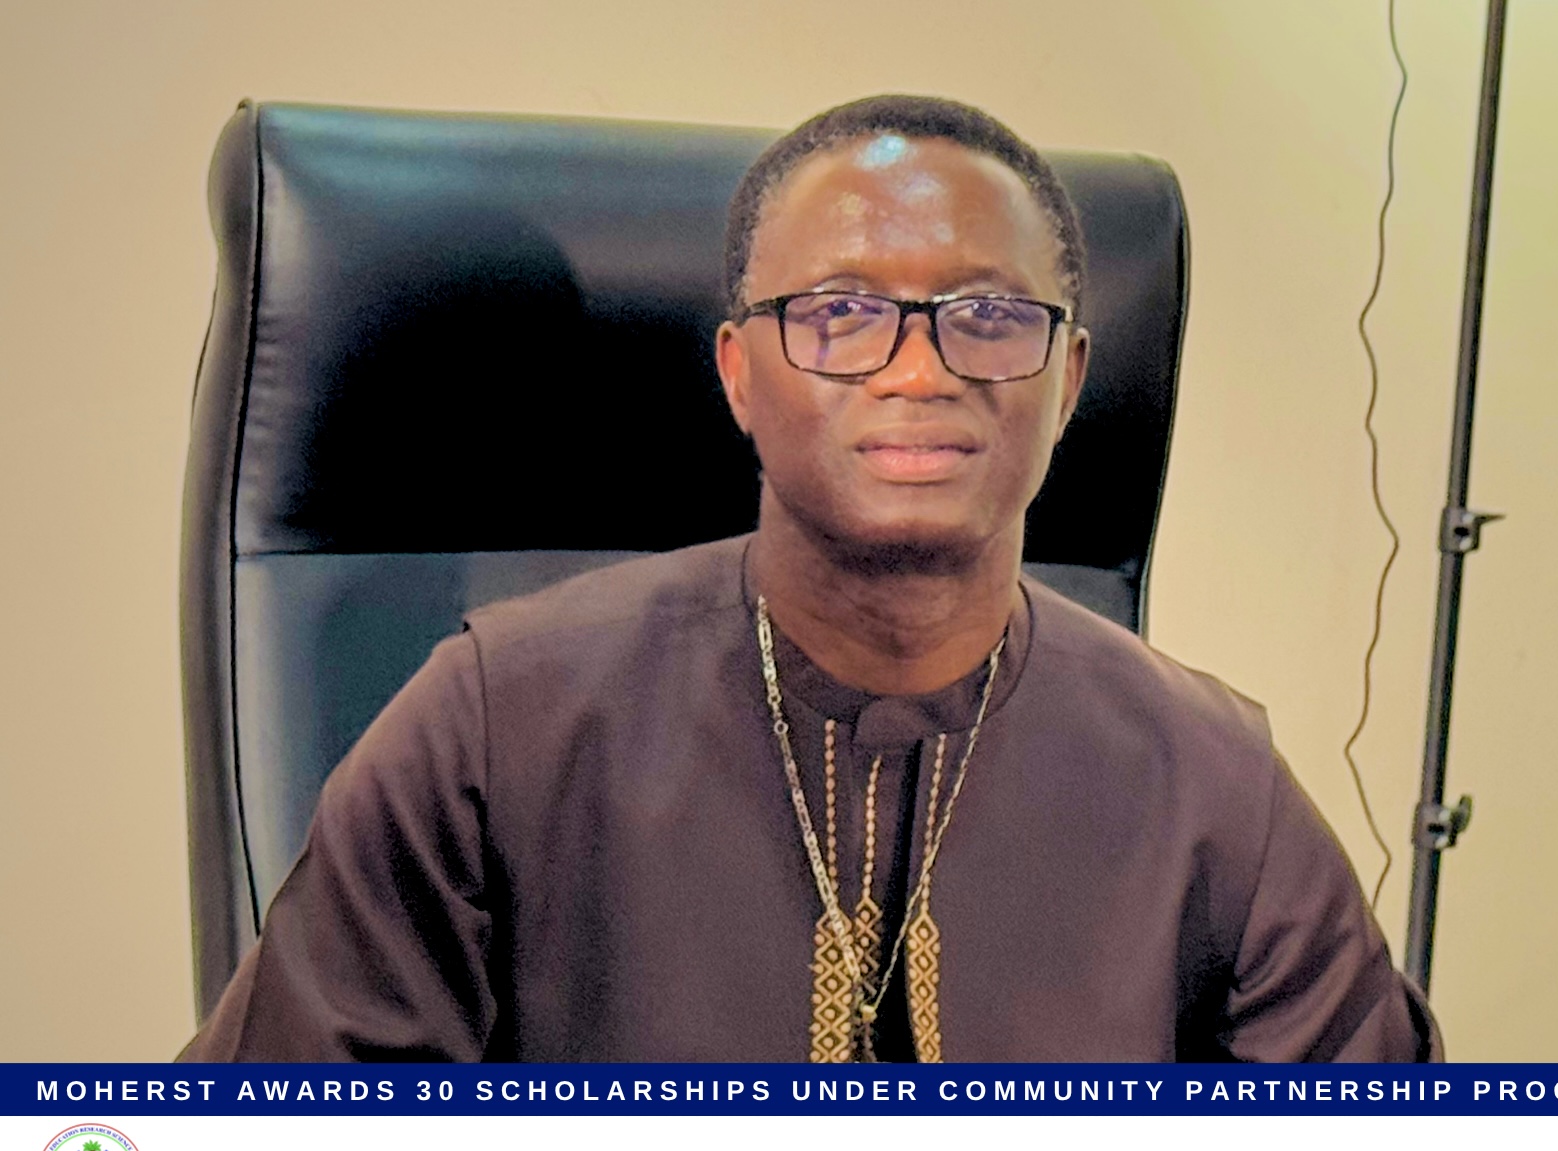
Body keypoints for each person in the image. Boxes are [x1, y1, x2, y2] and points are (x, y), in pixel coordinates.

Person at [183, 95, 1439, 1064]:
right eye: (838, 313)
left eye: (988, 317)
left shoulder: (1212, 784)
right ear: (738, 373)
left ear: (1065, 381)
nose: (919, 371)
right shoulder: (493, 726)